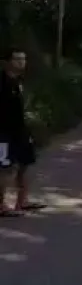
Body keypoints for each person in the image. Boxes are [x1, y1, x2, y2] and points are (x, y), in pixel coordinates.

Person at [0, 48, 45, 217]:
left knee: (25, 164)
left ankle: (22, 201)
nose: (21, 62)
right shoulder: (2, 82)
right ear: (7, 62)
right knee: (4, 168)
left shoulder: (18, 81)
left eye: (23, 59)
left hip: (20, 131)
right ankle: (1, 206)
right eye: (17, 59)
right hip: (4, 132)